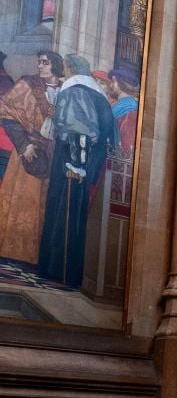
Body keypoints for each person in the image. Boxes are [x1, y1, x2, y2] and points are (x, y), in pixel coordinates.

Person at [38, 54, 116, 286]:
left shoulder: (76, 91)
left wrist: (76, 165)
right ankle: (66, 270)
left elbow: (79, 130)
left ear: (70, 69)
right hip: (85, 165)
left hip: (72, 168)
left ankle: (58, 270)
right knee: (75, 215)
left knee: (66, 213)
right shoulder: (95, 93)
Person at [0, 50, 61, 264]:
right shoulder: (28, 84)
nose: (40, 67)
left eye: (45, 63)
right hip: (28, 151)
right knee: (23, 199)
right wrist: (24, 145)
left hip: (52, 154)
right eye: (39, 63)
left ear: (56, 65)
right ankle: (13, 252)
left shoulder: (65, 89)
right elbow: (6, 114)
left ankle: (35, 257)